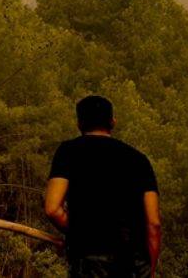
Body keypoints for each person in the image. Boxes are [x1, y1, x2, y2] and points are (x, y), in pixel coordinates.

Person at [44, 96, 161, 278]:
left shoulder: (68, 152)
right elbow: (153, 223)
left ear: (79, 123)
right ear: (112, 122)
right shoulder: (139, 160)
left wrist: (80, 231)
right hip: (134, 261)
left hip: (91, 260)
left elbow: (53, 209)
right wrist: (150, 270)